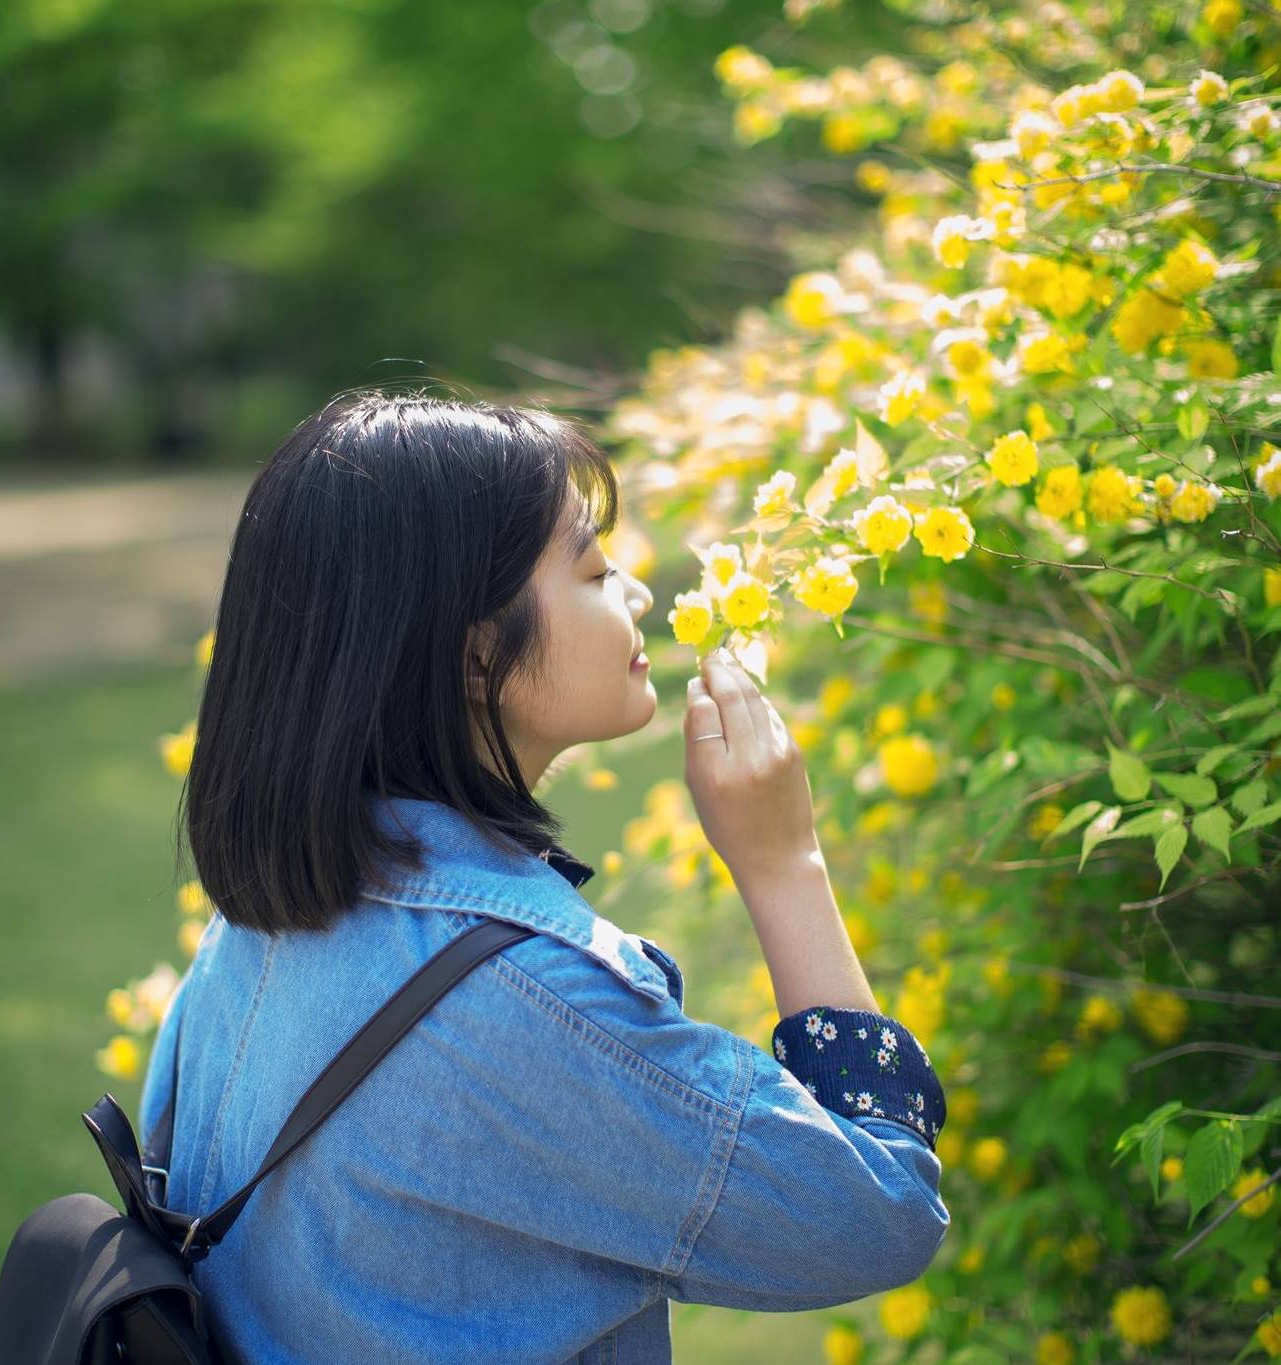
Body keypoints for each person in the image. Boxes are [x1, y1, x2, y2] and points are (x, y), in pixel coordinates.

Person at [139, 388, 950, 1364]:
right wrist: (785, 862)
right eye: (596, 569)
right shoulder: (517, 994)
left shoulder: (266, 911)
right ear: (479, 657)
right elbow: (876, 1212)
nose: (640, 592)